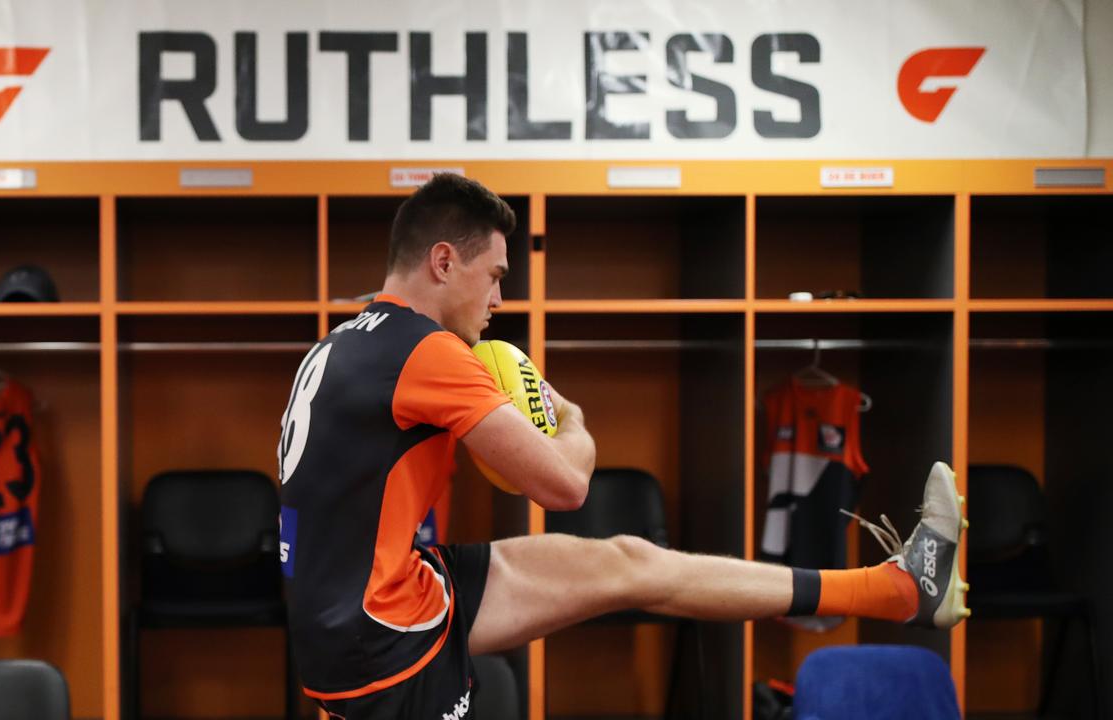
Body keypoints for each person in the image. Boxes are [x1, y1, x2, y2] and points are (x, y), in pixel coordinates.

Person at [276, 174, 969, 718]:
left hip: (358, 609)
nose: (499, 300)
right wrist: (572, 419)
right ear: (444, 261)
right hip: (384, 638)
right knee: (622, 561)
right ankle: (897, 589)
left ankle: (896, 588)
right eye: (495, 276)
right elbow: (565, 488)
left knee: (629, 563)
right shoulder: (428, 352)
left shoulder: (339, 344)